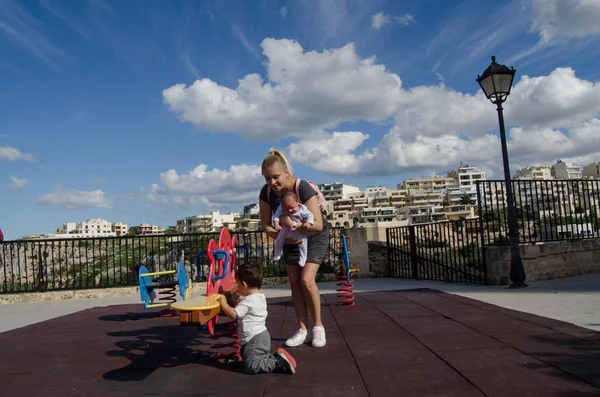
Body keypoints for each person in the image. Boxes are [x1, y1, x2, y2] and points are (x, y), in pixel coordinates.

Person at [259, 149, 329, 348]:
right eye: (267, 179)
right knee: (294, 281)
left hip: (314, 236)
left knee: (306, 280)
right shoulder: (266, 193)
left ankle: (318, 328)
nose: (272, 182)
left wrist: (293, 226)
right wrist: (283, 235)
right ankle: (302, 329)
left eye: (275, 177)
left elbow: (317, 224)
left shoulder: (303, 188)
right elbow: (265, 225)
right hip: (289, 237)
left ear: (286, 173)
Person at [219, 262, 297, 375]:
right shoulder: (258, 297)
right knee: (254, 357)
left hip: (254, 338)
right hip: (261, 335)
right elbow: (243, 309)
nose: (236, 287)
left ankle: (278, 362)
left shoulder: (249, 301)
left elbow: (234, 314)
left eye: (237, 284)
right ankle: (275, 358)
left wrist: (223, 302)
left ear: (244, 285)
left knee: (252, 366)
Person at [272, 189, 314, 267]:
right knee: (279, 239)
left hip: (299, 230)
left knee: (303, 243)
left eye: (292, 207)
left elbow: (310, 215)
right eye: (286, 209)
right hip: (286, 229)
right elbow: (276, 216)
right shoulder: (281, 207)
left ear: (297, 202)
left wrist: (308, 222)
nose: (290, 210)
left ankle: (303, 258)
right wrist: (276, 224)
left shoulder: (302, 209)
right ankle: (277, 253)